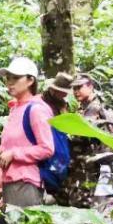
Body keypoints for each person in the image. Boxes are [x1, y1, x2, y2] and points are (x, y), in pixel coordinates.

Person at [0, 56, 55, 211]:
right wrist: (0, 178)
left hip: (27, 182)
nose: (9, 82)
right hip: (11, 182)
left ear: (30, 81)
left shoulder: (36, 109)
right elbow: (6, 150)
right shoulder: (15, 109)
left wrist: (14, 153)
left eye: (15, 77)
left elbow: (47, 148)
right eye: (8, 78)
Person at [68, 73, 113, 210]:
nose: (76, 91)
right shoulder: (84, 106)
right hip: (86, 160)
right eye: (74, 89)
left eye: (79, 87)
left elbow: (84, 132)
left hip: (92, 160)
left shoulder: (94, 107)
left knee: (87, 197)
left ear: (90, 86)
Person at [42, 72, 74, 205]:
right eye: (62, 92)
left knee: (60, 171)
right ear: (54, 89)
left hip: (62, 144)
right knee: (49, 172)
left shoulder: (63, 104)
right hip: (49, 142)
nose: (65, 95)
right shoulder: (43, 103)